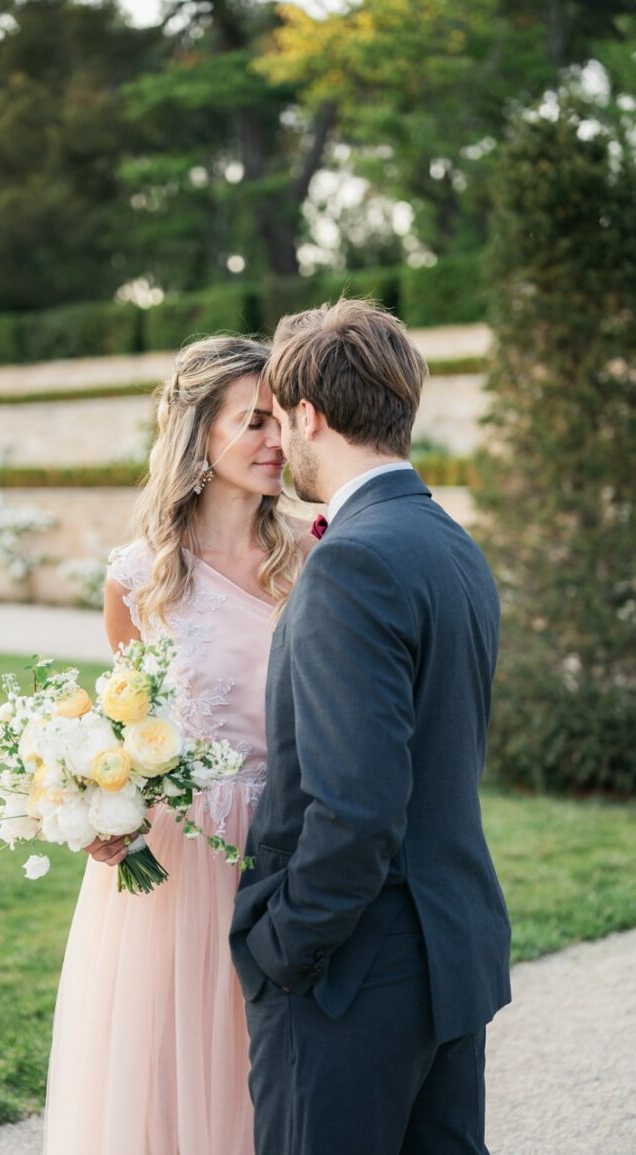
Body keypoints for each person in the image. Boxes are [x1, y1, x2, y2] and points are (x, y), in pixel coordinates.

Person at [230, 298, 512, 1155]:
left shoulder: (351, 559)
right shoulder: (450, 541)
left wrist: (285, 947)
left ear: (310, 415)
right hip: (449, 957)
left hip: (353, 979)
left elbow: (356, 809)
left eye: (281, 418)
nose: (280, 441)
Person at [43, 335, 311, 1155]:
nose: (278, 442)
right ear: (200, 431)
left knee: (275, 1069)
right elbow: (128, 732)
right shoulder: (139, 579)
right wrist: (99, 804)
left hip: (289, 840)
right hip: (181, 862)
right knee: (175, 1064)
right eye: (255, 421)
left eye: (285, 421)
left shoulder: (314, 553)